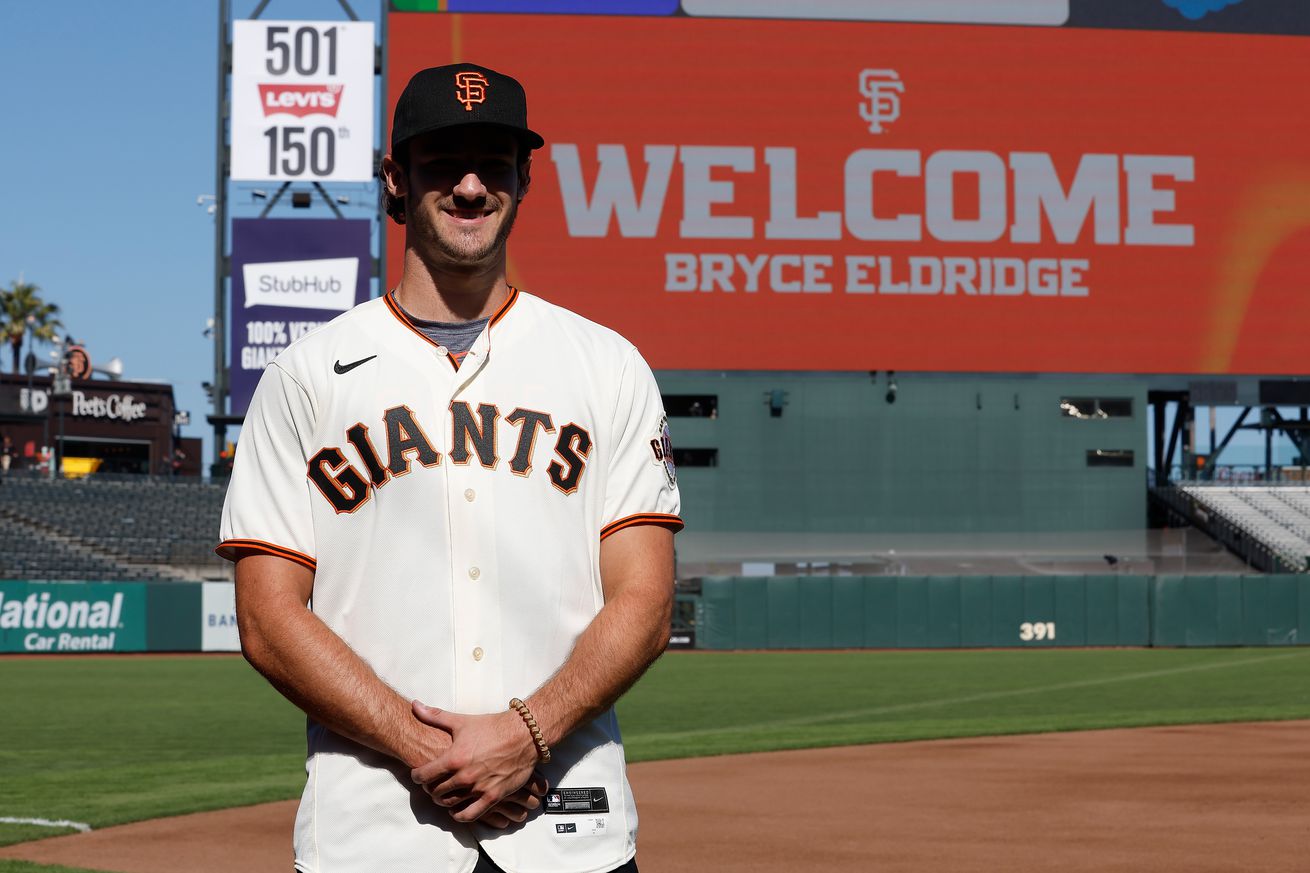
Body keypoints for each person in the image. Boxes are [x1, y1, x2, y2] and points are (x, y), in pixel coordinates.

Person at [216, 62, 682, 873]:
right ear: (395, 177)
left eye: (494, 162)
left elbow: (644, 598)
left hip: (570, 830)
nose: (470, 186)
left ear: (525, 178)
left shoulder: (605, 365)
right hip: (373, 837)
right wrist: (427, 746)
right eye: (441, 162)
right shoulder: (307, 374)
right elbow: (267, 619)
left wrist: (526, 733)